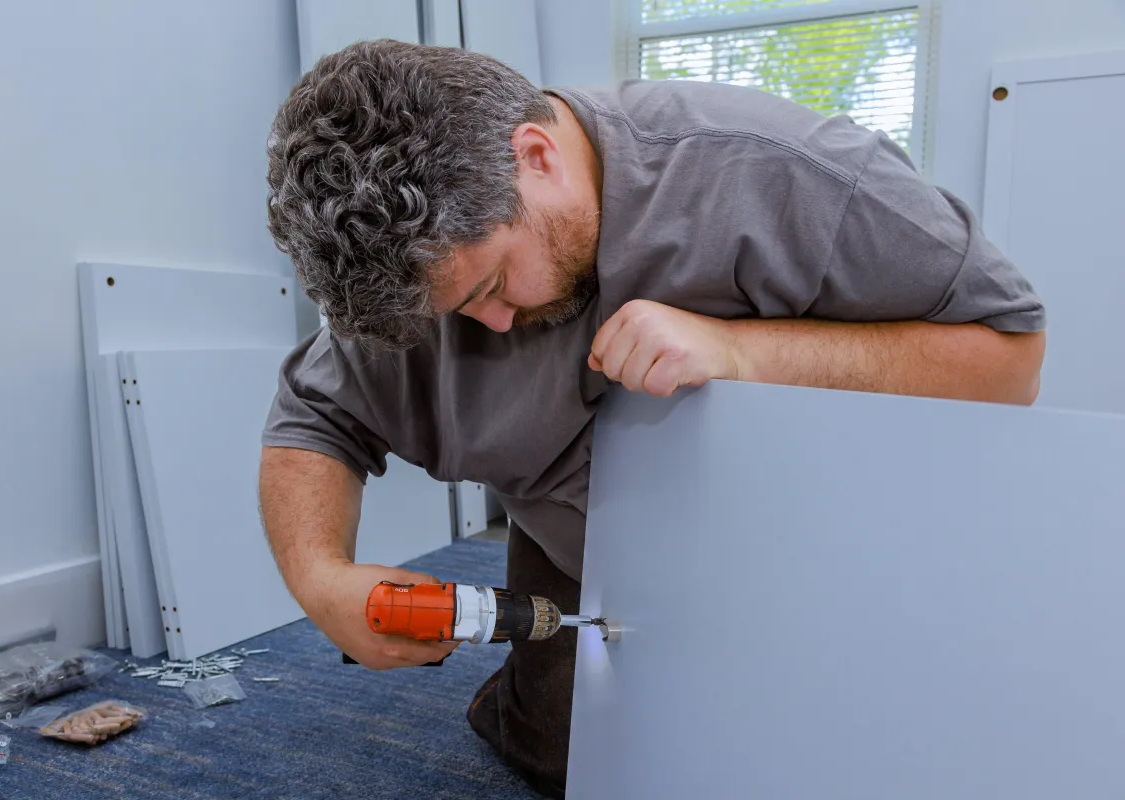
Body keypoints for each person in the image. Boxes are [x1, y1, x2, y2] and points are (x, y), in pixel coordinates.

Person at [257, 38, 1046, 798]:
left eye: (493, 284)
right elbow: (313, 416)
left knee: (839, 758)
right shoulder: (424, 284)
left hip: (814, 546)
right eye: (462, 309)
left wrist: (743, 354)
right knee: (570, 760)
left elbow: (1009, 360)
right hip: (578, 553)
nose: (491, 323)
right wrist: (320, 580)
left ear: (535, 155)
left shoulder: (783, 174)